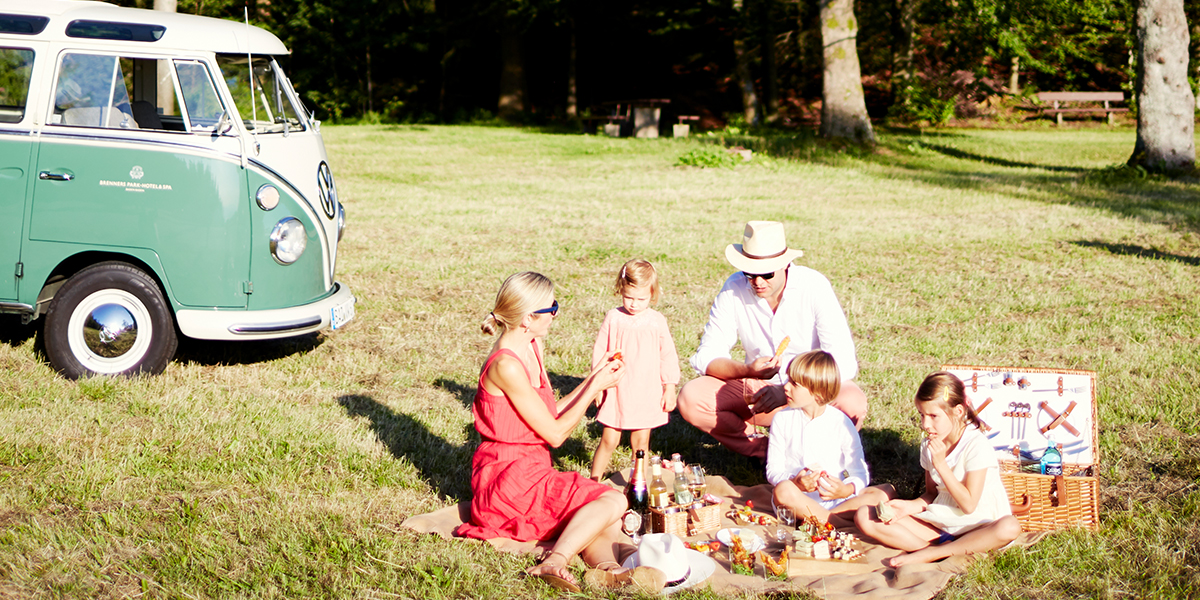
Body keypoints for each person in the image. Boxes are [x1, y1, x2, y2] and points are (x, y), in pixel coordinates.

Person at [455, 272, 663, 592]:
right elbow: (555, 434)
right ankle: (554, 562)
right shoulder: (505, 364)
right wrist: (596, 385)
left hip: (532, 466)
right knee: (612, 502)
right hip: (507, 478)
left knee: (590, 515)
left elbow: (549, 411)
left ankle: (608, 571)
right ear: (527, 318)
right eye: (552, 308)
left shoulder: (531, 345)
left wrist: (594, 375)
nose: (556, 314)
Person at [677, 220, 868, 459]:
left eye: (766, 274)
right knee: (691, 397)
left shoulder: (813, 286)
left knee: (852, 402)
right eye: (750, 273)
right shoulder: (734, 287)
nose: (757, 282)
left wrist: (789, 388)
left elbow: (842, 362)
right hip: (758, 390)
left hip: (810, 389)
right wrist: (748, 370)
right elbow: (707, 355)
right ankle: (767, 454)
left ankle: (818, 456)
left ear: (786, 265)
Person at [854, 372, 1020, 567]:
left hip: (979, 526)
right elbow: (931, 494)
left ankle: (929, 553)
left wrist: (941, 465)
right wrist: (908, 506)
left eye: (933, 416)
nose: (926, 424)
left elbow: (969, 505)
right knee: (864, 515)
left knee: (1009, 526)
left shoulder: (976, 445)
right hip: (942, 522)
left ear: (958, 411)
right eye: (922, 415)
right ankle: (936, 550)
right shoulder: (929, 445)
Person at [768, 351, 887, 527]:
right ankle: (836, 524)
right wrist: (797, 482)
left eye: (795, 384)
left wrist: (845, 489)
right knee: (782, 490)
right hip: (796, 500)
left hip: (836, 502)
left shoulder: (841, 423)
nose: (786, 387)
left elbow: (860, 472)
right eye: (788, 380)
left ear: (819, 394)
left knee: (883, 492)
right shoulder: (782, 419)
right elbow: (773, 470)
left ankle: (820, 519)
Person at [588, 259, 681, 481]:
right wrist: (597, 386)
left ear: (653, 294)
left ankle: (638, 484)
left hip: (646, 390)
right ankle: (594, 480)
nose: (634, 304)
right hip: (617, 389)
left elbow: (667, 355)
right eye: (628, 297)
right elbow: (600, 352)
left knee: (640, 443)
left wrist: (669, 388)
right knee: (609, 439)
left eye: (641, 299)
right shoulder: (614, 318)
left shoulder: (656, 321)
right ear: (621, 290)